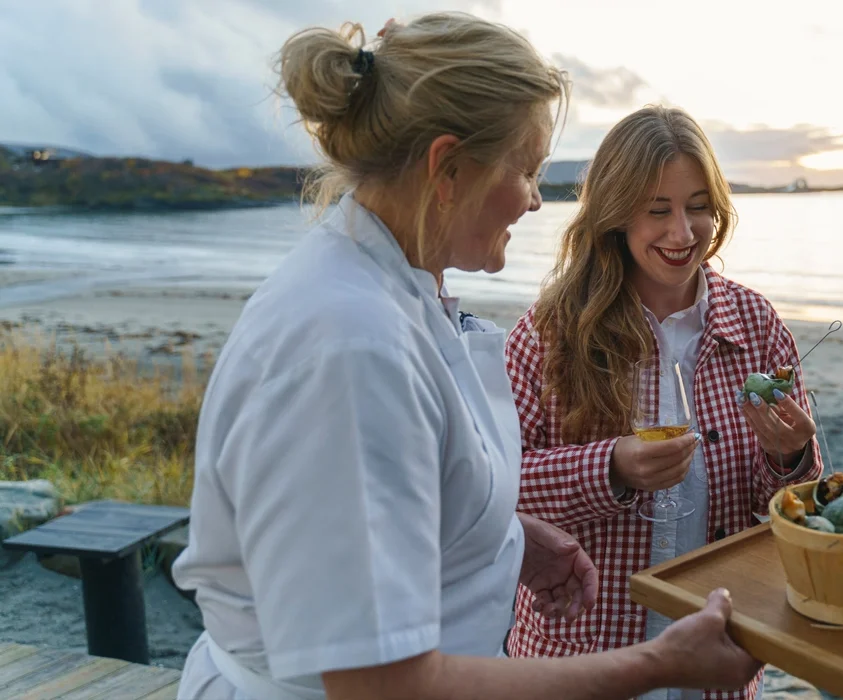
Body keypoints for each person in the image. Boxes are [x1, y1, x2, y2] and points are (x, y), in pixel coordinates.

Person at [170, 14, 761, 700]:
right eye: (528, 169)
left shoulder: (394, 291)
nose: (538, 200)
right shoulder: (351, 347)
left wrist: (502, 539)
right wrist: (659, 665)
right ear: (447, 168)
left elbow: (384, 503)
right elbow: (380, 684)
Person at [503, 105, 825, 700]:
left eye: (698, 206)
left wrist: (790, 458)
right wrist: (610, 467)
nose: (683, 233)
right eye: (658, 211)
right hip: (577, 664)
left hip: (715, 672)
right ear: (615, 214)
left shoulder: (755, 325)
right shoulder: (546, 335)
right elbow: (494, 489)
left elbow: (787, 510)